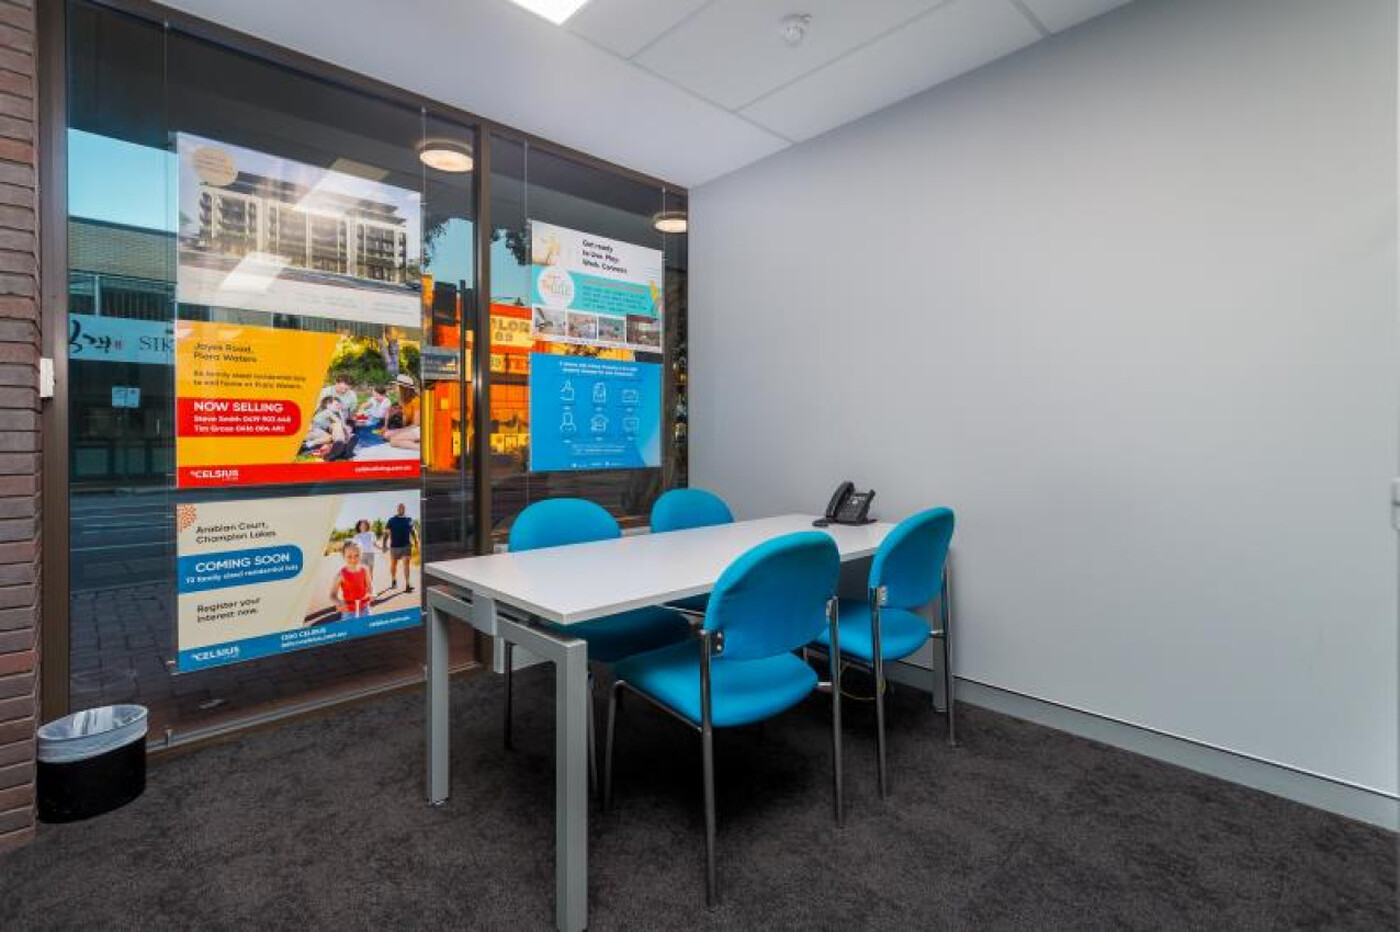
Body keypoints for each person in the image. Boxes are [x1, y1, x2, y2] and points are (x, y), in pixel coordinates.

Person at [328, 540, 373, 621]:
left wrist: (371, 594)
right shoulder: (341, 574)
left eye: (357, 555)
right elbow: (332, 595)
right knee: (351, 628)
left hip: (364, 608)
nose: (353, 559)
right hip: (348, 611)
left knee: (368, 627)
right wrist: (339, 603)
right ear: (343, 556)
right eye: (349, 556)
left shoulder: (365, 570)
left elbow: (370, 587)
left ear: (361, 554)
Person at [383, 503, 418, 593]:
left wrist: (416, 541)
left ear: (405, 509)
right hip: (394, 546)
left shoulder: (409, 519)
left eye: (403, 508)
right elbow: (386, 533)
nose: (401, 509)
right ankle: (394, 579)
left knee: (406, 564)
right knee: (394, 564)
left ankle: (408, 584)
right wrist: (384, 544)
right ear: (397, 509)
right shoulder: (391, 520)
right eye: (399, 507)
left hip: (406, 545)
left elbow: (413, 531)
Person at [309, 396, 358, 461]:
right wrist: (347, 432)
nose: (339, 406)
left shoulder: (331, 415)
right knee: (338, 426)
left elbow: (338, 425)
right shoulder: (327, 412)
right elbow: (339, 423)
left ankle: (345, 452)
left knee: (348, 434)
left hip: (323, 434)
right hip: (315, 432)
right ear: (328, 405)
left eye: (340, 405)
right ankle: (340, 450)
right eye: (336, 405)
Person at [384, 374, 421, 451]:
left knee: (394, 441)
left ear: (403, 388)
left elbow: (416, 424)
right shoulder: (405, 402)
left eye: (396, 386)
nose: (395, 388)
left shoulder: (416, 401)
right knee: (387, 435)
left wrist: (398, 431)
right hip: (413, 428)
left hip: (422, 429)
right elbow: (405, 422)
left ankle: (423, 448)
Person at [351, 519, 380, 586]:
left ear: (367, 526)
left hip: (370, 554)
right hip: (361, 555)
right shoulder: (357, 536)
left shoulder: (371, 534)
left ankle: (370, 587)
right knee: (363, 572)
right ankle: (364, 586)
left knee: (370, 572)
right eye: (362, 525)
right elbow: (354, 547)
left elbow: (374, 544)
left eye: (365, 524)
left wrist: (381, 548)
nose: (363, 526)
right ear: (359, 526)